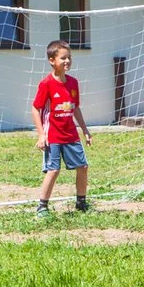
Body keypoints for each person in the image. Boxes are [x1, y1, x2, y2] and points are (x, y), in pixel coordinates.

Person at [31, 40, 92, 216]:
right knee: (53, 170)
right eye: (63, 58)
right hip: (53, 135)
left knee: (83, 167)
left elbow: (75, 108)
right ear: (52, 60)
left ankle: (81, 203)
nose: (67, 61)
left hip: (71, 134)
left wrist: (85, 130)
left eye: (69, 58)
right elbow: (36, 108)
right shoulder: (46, 84)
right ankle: (42, 206)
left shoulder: (73, 83)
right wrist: (41, 134)